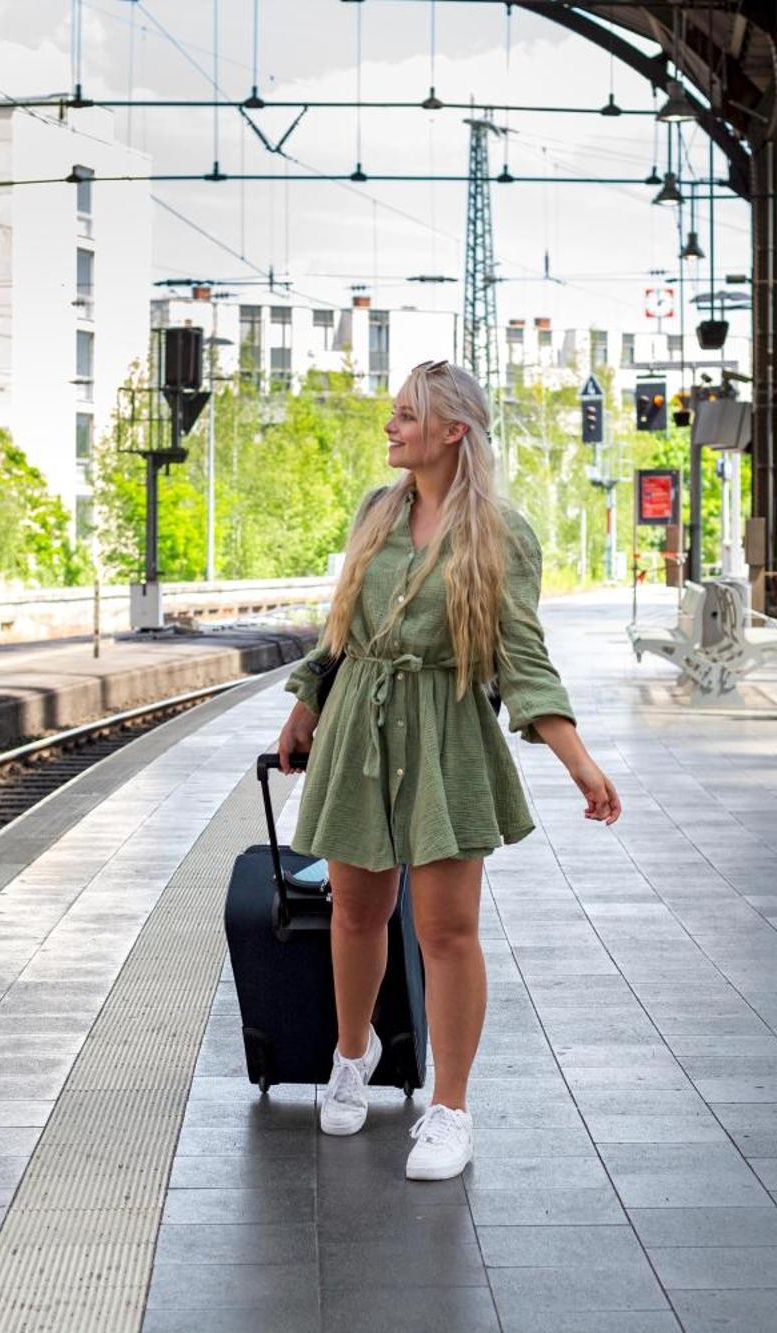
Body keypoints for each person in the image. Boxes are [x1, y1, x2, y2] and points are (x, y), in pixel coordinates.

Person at [275, 359, 621, 1182]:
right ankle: (351, 1059)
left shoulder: (501, 531)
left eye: (405, 416)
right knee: (355, 914)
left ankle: (450, 1107)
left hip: (445, 731)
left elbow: (523, 657)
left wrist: (577, 760)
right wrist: (306, 704)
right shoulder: (375, 512)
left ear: (451, 431)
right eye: (393, 414)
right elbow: (339, 630)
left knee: (447, 930)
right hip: (361, 719)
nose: (390, 428)